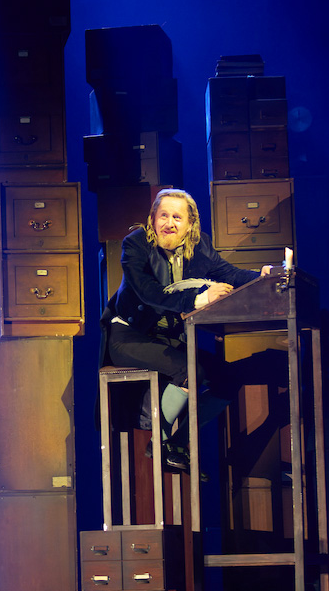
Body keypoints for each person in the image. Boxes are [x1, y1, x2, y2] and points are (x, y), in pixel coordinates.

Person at [103, 188, 270, 470]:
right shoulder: (136, 244)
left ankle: (177, 443)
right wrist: (201, 297)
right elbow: (148, 293)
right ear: (152, 219)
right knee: (191, 371)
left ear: (190, 224)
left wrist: (262, 276)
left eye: (177, 217)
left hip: (166, 339)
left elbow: (230, 274)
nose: (169, 223)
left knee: (227, 379)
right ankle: (161, 442)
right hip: (128, 336)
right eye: (163, 216)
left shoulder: (200, 246)